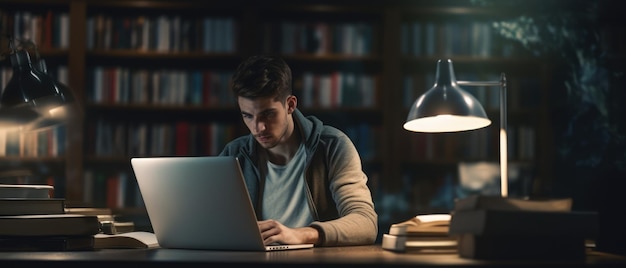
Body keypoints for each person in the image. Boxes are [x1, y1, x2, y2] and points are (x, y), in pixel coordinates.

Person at [219, 55, 378, 247]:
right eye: (248, 116)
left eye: (268, 114)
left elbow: (366, 223)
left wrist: (302, 235)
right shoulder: (235, 154)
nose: (258, 127)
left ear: (291, 105)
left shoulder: (332, 146)